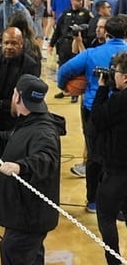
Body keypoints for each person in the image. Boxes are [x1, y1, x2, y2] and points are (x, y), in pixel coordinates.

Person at [0, 75, 64, 265]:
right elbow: (19, 138)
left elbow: (47, 157)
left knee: (12, 250)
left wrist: (21, 166)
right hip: (24, 214)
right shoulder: (31, 120)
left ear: (17, 97)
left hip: (29, 216)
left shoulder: (44, 130)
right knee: (30, 256)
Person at [58, 15, 127, 214]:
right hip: (123, 109)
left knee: (94, 156)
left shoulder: (91, 54)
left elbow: (64, 71)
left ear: (106, 34)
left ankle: (93, 201)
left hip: (94, 110)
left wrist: (66, 88)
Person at [0, 27, 41, 214]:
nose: (8, 47)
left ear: (21, 44)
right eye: (6, 42)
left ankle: (14, 209)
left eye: (13, 43)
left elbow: (28, 100)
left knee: (12, 171)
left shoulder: (30, 65)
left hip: (14, 124)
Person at [91, 52, 127, 265]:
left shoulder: (121, 100)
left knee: (106, 217)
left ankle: (113, 261)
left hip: (117, 170)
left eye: (117, 72)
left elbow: (97, 118)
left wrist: (103, 88)